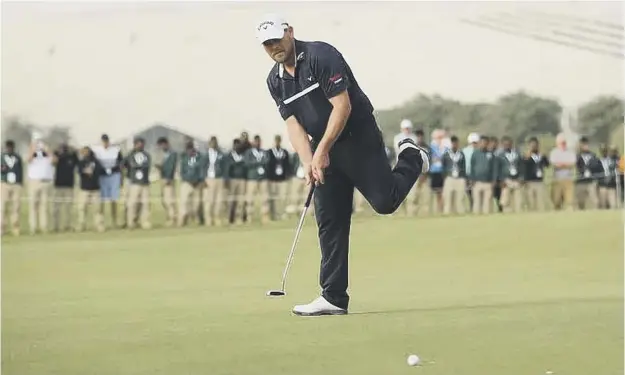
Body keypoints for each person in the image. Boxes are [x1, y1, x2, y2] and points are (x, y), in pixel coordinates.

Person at [258, 14, 428, 316]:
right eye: (268, 44)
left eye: (277, 39)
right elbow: (294, 125)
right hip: (322, 148)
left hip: (356, 136)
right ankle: (333, 296)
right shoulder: (275, 81)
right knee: (330, 221)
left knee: (385, 202)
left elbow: (343, 106)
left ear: (290, 32)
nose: (274, 47)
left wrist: (323, 148)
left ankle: (412, 156)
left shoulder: (321, 56)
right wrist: (309, 161)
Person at [92, 134, 124, 228]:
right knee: (101, 201)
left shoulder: (116, 150)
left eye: (106, 141)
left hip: (114, 176)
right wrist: (103, 170)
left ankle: (115, 221)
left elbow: (120, 163)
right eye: (103, 141)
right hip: (102, 177)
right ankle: (100, 223)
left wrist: (114, 171)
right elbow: (95, 163)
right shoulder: (96, 151)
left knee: (114, 200)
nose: (105, 143)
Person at [27, 135, 54, 235]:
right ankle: (33, 228)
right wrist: (33, 148)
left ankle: (44, 227)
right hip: (34, 181)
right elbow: (28, 159)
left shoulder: (47, 153)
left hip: (45, 181)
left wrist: (47, 149)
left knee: (44, 206)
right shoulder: (31, 151)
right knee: (33, 205)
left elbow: (54, 160)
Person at [392, 119, 419, 216]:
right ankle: (399, 214)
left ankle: (411, 214)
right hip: (399, 167)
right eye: (405, 128)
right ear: (402, 129)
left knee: (412, 194)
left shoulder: (414, 138)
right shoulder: (397, 138)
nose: (407, 130)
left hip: (412, 168)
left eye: (408, 128)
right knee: (399, 192)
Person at [125, 137, 152, 229]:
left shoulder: (146, 155)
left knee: (146, 203)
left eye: (142, 143)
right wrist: (129, 173)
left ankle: (145, 222)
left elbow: (146, 165)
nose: (140, 145)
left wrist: (136, 166)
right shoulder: (130, 155)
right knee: (132, 203)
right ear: (135, 144)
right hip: (134, 183)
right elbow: (124, 164)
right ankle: (131, 222)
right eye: (138, 143)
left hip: (144, 183)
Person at [76, 147, 105, 232]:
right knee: (81, 209)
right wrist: (85, 171)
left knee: (97, 209)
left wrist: (93, 171)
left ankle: (99, 225)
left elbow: (101, 171)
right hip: (84, 189)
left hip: (95, 189)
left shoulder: (96, 162)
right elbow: (80, 171)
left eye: (86, 152)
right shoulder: (81, 162)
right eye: (83, 152)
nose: (85, 153)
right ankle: (81, 225)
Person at [178, 140, 206, 227]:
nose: (190, 151)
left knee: (197, 204)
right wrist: (187, 180)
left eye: (191, 149)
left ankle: (197, 220)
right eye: (188, 149)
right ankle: (182, 220)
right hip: (186, 183)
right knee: (184, 203)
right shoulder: (184, 158)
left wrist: (199, 180)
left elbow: (202, 170)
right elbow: (182, 172)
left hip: (197, 184)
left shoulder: (200, 158)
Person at [52, 143, 78, 232]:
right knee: (56, 208)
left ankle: (68, 225)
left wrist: (73, 149)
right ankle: (56, 226)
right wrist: (57, 151)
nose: (64, 151)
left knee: (69, 208)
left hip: (69, 186)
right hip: (58, 186)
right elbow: (53, 160)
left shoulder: (72, 157)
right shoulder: (58, 156)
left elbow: (77, 160)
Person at [469, 136, 497, 215]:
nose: (483, 144)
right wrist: (471, 179)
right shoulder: (475, 154)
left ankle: (486, 217)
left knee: (487, 201)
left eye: (485, 143)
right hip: (477, 182)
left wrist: (494, 180)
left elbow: (494, 168)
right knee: (477, 201)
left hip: (488, 182)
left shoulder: (491, 154)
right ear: (479, 143)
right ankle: (476, 216)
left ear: (488, 144)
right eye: (482, 143)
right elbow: (472, 167)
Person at [203, 136, 227, 226]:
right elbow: (202, 167)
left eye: (215, 142)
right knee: (209, 200)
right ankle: (208, 219)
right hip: (209, 179)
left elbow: (224, 167)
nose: (214, 144)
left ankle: (217, 218)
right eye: (212, 142)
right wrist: (204, 179)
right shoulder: (205, 155)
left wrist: (224, 178)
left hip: (219, 178)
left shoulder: (221, 154)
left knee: (219, 200)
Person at [1, 140, 24, 236]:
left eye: (11, 147)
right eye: (8, 147)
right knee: (2, 207)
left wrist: (21, 182)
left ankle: (15, 228)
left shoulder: (17, 157)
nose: (9, 149)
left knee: (16, 207)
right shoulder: (2, 157)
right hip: (5, 183)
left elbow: (21, 170)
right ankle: (2, 229)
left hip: (16, 184)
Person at [549, 133, 576, 210]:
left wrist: (562, 165)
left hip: (568, 179)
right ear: (557, 143)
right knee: (556, 200)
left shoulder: (570, 152)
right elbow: (555, 164)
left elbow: (572, 164)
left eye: (564, 142)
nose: (563, 144)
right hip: (557, 180)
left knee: (569, 201)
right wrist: (565, 165)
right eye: (561, 143)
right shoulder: (554, 152)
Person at [267, 135, 291, 220]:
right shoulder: (270, 152)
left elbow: (288, 165)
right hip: (273, 179)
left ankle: (282, 213)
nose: (277, 142)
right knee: (274, 197)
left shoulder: (284, 152)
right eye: (276, 140)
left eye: (279, 140)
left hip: (282, 179)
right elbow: (268, 165)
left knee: (283, 197)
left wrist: (288, 176)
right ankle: (274, 214)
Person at [155, 137, 178, 227]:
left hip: (168, 179)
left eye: (161, 145)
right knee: (164, 201)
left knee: (169, 201)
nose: (161, 147)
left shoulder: (172, 154)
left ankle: (172, 218)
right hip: (163, 178)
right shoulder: (164, 154)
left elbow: (171, 167)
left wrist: (168, 178)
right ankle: (171, 217)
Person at [224, 138, 248, 225]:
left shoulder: (243, 155)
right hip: (232, 180)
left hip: (242, 179)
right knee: (231, 200)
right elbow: (227, 168)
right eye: (236, 145)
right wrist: (226, 180)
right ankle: (230, 218)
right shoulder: (230, 155)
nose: (238, 146)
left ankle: (239, 218)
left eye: (239, 145)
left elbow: (245, 167)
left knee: (241, 200)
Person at [522, 137, 549, 211]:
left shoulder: (541, 156)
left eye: (535, 145)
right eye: (532, 145)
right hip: (530, 181)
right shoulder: (526, 156)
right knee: (530, 201)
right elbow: (523, 167)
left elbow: (547, 165)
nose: (534, 146)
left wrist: (544, 155)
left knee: (541, 201)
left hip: (539, 181)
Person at [441, 135, 467, 215]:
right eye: (453, 143)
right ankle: (447, 214)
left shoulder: (461, 154)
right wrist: (445, 177)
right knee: (448, 199)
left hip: (460, 178)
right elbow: (443, 167)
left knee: (460, 199)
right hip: (449, 178)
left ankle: (460, 214)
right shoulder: (446, 154)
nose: (454, 144)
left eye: (456, 143)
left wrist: (464, 177)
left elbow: (464, 166)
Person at [498, 136, 523, 213]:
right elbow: (498, 169)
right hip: (506, 179)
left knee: (518, 198)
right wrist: (501, 180)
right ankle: (506, 212)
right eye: (505, 144)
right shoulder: (500, 155)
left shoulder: (517, 154)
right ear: (502, 145)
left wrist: (521, 177)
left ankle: (518, 211)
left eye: (509, 144)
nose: (507, 146)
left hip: (516, 179)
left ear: (512, 144)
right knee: (505, 198)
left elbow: (521, 166)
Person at [575, 136, 601, 210]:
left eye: (586, 144)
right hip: (581, 181)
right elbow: (576, 166)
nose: (585, 146)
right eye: (583, 144)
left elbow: (597, 166)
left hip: (591, 181)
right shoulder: (577, 156)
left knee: (595, 201)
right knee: (580, 202)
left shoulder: (593, 155)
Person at [428, 129, 447, 214]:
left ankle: (441, 210)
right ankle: (434, 210)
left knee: (442, 192)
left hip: (442, 172)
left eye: (441, 137)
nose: (440, 139)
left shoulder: (445, 148)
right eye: (438, 137)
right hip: (434, 172)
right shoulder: (431, 147)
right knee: (435, 192)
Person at [597, 145, 618, 209]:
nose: (604, 152)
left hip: (611, 184)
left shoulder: (613, 160)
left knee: (612, 203)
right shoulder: (598, 161)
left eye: (605, 150)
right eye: (603, 151)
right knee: (603, 203)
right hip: (602, 184)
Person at [463, 133, 480, 210]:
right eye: (472, 142)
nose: (474, 144)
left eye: (475, 142)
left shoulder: (479, 151)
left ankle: (474, 208)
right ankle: (471, 207)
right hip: (467, 174)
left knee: (476, 194)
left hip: (477, 175)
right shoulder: (464, 151)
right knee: (469, 193)